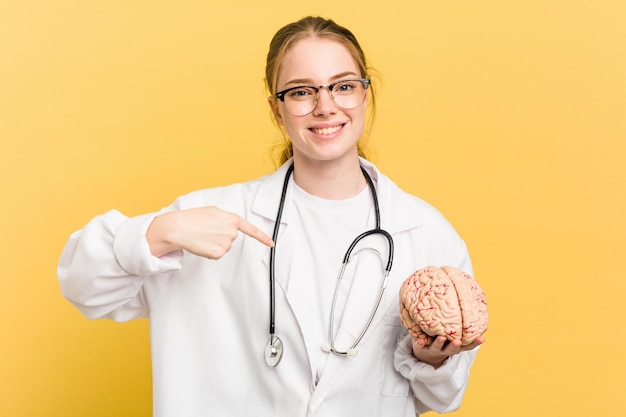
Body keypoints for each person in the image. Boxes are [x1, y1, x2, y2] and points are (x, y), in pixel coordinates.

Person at [58, 16, 484, 417]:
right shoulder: (205, 219)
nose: (325, 106)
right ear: (275, 109)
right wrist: (161, 231)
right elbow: (81, 285)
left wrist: (431, 359)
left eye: (343, 86)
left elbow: (442, 399)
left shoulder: (425, 232)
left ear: (365, 93)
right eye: (301, 91)